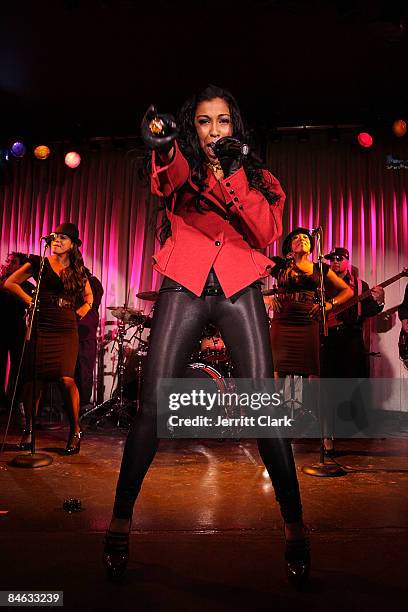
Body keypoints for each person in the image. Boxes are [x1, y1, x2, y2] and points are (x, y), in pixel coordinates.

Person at [104, 85, 309, 586]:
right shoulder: (184, 170)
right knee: (152, 407)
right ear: (191, 127)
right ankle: (118, 524)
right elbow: (165, 180)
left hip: (239, 286)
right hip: (186, 284)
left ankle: (295, 528)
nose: (214, 130)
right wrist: (165, 145)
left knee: (265, 409)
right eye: (203, 121)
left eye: (221, 121)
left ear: (235, 125)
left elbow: (264, 233)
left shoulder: (260, 178)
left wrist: (235, 172)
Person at [4, 223, 93, 455]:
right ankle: (29, 430)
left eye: (63, 238)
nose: (57, 240)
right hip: (41, 324)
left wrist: (81, 311)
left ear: (73, 245)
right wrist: (29, 300)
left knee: (66, 379)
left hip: (65, 327)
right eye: (55, 237)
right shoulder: (38, 263)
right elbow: (10, 283)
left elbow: (88, 297)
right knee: (34, 381)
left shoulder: (77, 270)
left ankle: (75, 430)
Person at [320, 247, 385, 453]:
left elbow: (368, 311)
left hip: (352, 337)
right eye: (332, 259)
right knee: (327, 385)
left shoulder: (359, 285)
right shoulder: (324, 283)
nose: (335, 262)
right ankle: (327, 432)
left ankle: (357, 425)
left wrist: (379, 300)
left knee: (356, 381)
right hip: (328, 339)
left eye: (339, 259)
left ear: (348, 261)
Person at [267, 229, 353, 379]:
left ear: (311, 247)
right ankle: (277, 402)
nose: (302, 239)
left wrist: (329, 304)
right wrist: (266, 299)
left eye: (305, 237)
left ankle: (312, 403)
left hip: (308, 322)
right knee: (278, 369)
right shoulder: (278, 265)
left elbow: (348, 291)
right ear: (289, 247)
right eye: (296, 237)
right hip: (282, 322)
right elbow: (248, 276)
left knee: (311, 372)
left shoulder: (320, 268)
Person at [0, 252, 35, 412]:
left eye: (13, 262)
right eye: (8, 261)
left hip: (17, 330)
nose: (9, 264)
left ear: (21, 267)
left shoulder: (27, 286)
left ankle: (14, 401)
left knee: (18, 367)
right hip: (1, 329)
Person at [75, 269, 104, 408]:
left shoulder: (93, 282)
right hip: (72, 331)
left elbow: (93, 301)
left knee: (84, 369)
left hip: (86, 332)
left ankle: (84, 403)